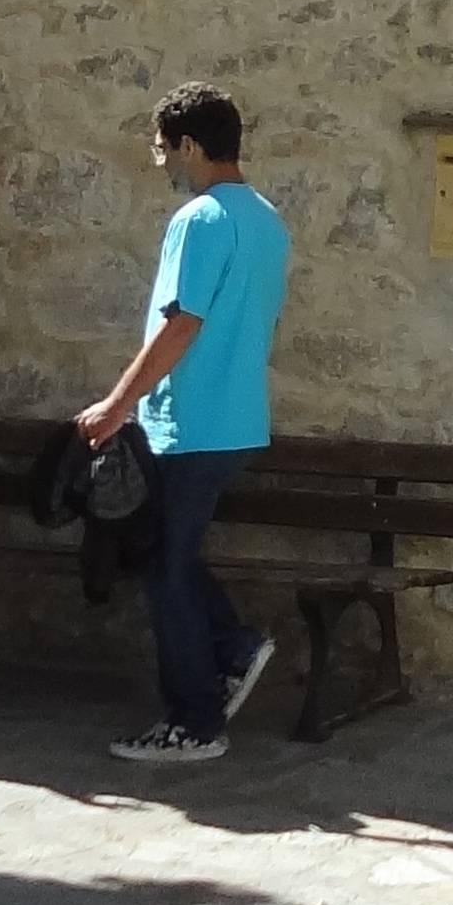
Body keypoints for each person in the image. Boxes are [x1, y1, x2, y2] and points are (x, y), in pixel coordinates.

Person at [76, 81, 288, 771]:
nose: (162, 161)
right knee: (172, 558)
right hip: (237, 422)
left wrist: (117, 404)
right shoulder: (265, 218)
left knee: (166, 571)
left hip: (189, 423)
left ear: (190, 146)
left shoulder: (198, 220)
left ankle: (194, 722)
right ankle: (231, 647)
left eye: (164, 147)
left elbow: (181, 323)